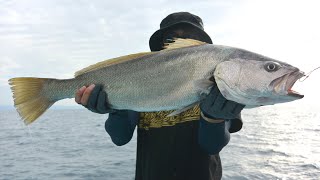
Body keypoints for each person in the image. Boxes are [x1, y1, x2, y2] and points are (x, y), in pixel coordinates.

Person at [75, 12, 245, 180]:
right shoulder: (138, 81)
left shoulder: (222, 85)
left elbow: (212, 145)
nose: (183, 43)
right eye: (172, 39)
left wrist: (212, 119)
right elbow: (120, 137)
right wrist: (115, 108)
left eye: (191, 37)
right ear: (161, 46)